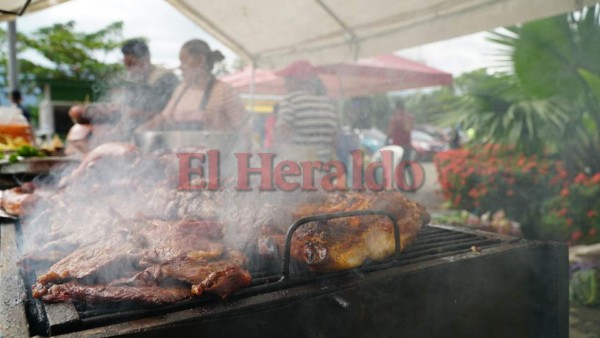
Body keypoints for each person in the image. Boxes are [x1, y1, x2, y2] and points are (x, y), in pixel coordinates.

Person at [67, 39, 179, 153]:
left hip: (157, 139)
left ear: (146, 58)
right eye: (127, 65)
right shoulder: (133, 83)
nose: (130, 69)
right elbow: (125, 114)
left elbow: (169, 113)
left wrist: (132, 113)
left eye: (132, 64)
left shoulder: (165, 79)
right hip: (132, 137)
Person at [141, 39, 247, 132]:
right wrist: (142, 130)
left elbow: (244, 128)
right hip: (180, 153)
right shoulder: (182, 89)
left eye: (184, 61)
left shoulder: (224, 90)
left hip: (216, 153)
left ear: (201, 61)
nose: (180, 67)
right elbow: (163, 118)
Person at [274, 60, 339, 162]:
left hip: (297, 169)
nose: (284, 84)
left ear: (297, 80)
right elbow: (334, 140)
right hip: (323, 169)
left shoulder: (291, 100)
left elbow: (282, 133)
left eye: (287, 79)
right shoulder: (328, 104)